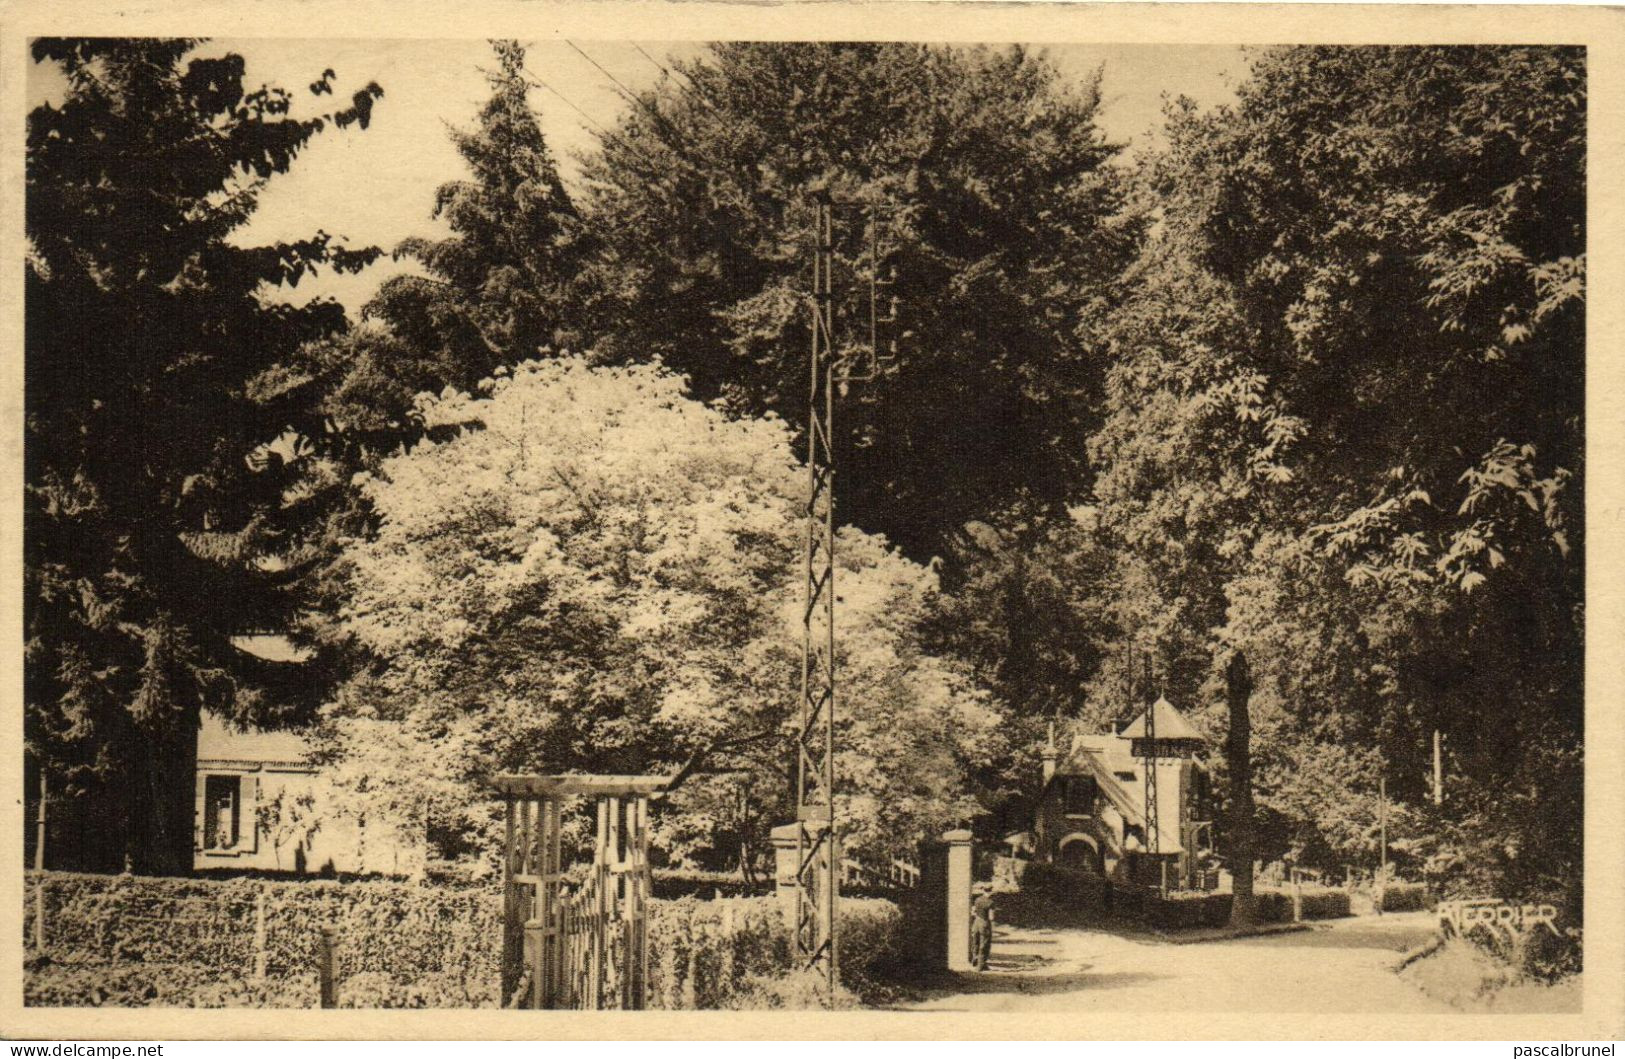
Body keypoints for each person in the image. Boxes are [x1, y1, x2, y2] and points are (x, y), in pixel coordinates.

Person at [970, 884, 995, 971]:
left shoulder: (977, 899)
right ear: (991, 891)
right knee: (984, 943)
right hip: (984, 923)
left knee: (975, 941)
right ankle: (980, 965)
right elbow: (991, 917)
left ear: (983, 891)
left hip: (976, 922)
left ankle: (975, 958)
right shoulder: (990, 902)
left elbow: (973, 912)